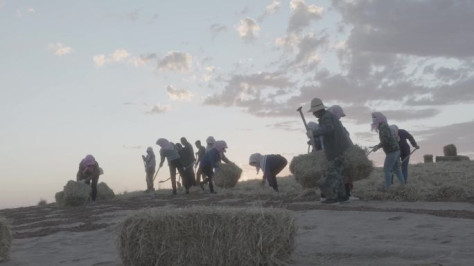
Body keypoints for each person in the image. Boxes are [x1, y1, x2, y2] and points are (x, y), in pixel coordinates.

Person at [306, 98, 352, 204]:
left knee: (332, 174)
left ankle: (333, 196)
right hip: (340, 148)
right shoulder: (327, 116)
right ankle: (342, 196)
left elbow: (328, 129)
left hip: (337, 149)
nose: (313, 114)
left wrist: (314, 133)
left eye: (314, 111)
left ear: (318, 110)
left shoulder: (326, 117)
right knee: (338, 174)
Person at [327, 105, 356, 200]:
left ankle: (343, 194)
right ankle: (346, 195)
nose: (340, 117)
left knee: (342, 174)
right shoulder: (333, 124)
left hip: (336, 152)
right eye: (339, 115)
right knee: (344, 174)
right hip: (339, 152)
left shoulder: (332, 123)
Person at [371, 112, 406, 191]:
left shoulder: (383, 127)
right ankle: (404, 186)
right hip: (396, 150)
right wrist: (378, 146)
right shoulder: (384, 126)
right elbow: (386, 140)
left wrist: (377, 146)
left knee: (387, 169)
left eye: (374, 118)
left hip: (392, 151)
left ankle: (387, 188)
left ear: (379, 118)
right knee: (397, 169)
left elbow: (385, 140)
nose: (373, 120)